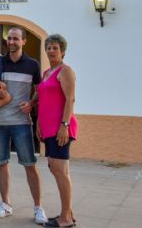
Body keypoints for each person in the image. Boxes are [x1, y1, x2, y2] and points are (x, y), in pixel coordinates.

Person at [0, 27, 48, 224]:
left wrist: (31, 103)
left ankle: (38, 207)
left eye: (15, 38)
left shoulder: (32, 65)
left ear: (24, 41)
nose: (11, 42)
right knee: (1, 163)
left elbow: (40, 90)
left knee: (30, 165)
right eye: (9, 38)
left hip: (21, 123)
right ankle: (5, 204)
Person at [36, 34, 78, 228]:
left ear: (62, 51)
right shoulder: (46, 73)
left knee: (60, 171)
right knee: (56, 168)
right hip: (48, 127)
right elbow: (42, 99)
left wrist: (65, 125)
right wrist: (38, 124)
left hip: (61, 127)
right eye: (49, 47)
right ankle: (67, 212)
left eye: (55, 48)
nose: (51, 51)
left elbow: (70, 99)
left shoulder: (65, 71)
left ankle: (66, 218)